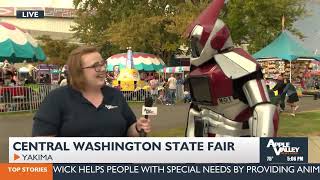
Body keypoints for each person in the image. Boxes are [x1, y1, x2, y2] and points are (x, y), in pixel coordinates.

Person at [185, 0, 279, 137]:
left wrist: (262, 150)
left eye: (198, 43)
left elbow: (264, 110)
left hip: (237, 141)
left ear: (214, 40)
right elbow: (195, 111)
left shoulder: (242, 66)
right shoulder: (198, 71)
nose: (195, 47)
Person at [32, 46, 151, 137]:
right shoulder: (56, 99)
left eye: (103, 64)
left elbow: (128, 129)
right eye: (96, 66)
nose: (103, 69)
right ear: (78, 71)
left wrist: (137, 127)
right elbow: (42, 144)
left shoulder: (115, 95)